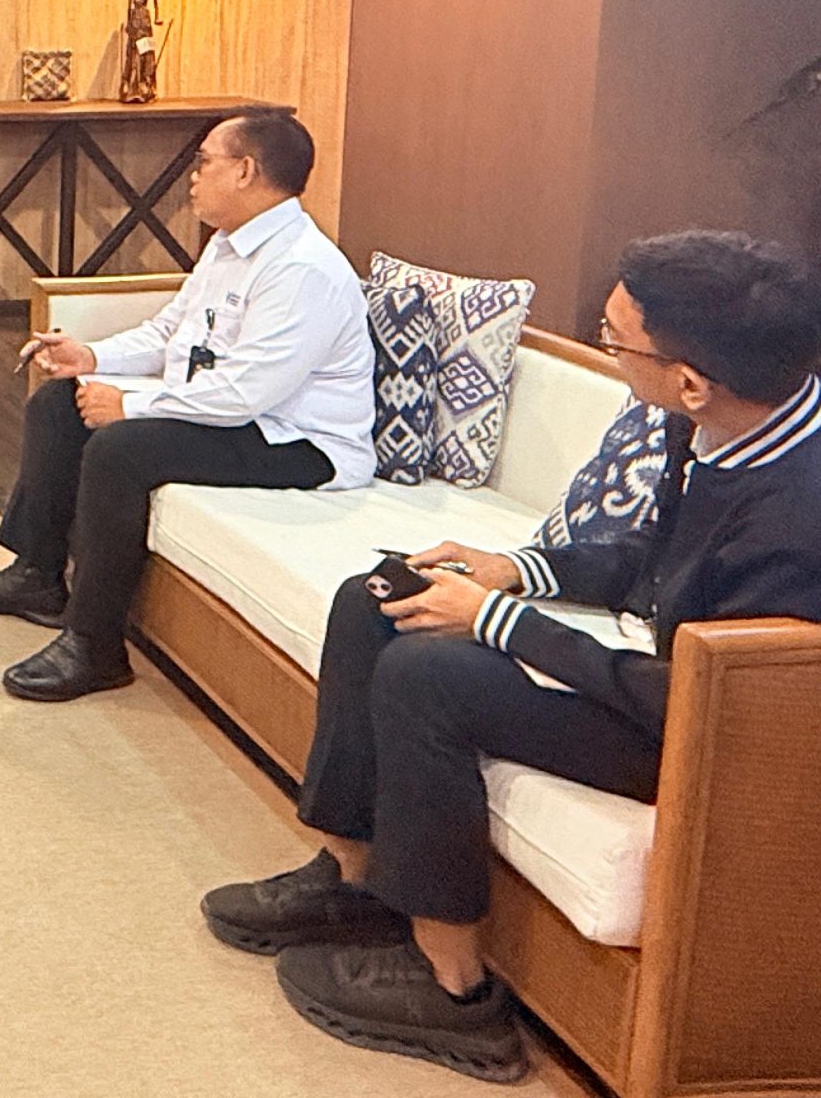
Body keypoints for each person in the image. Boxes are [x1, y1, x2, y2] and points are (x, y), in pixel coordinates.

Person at [200, 231, 821, 1083]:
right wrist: (512, 572)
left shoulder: (796, 520)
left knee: (432, 674)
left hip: (715, 749)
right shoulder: (718, 422)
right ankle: (352, 878)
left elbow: (696, 701)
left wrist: (496, 620)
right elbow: (645, 558)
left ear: (689, 381)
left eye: (614, 340)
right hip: (675, 689)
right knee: (379, 599)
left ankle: (452, 991)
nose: (606, 355)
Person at [0, 110, 373, 700]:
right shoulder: (229, 246)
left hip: (299, 443)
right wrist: (91, 358)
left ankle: (95, 646)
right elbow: (175, 333)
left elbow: (247, 393)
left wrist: (130, 407)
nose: (191, 176)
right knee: (57, 406)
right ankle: (37, 575)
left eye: (204, 163)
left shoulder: (302, 269)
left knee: (122, 447)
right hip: (239, 416)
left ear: (246, 171)